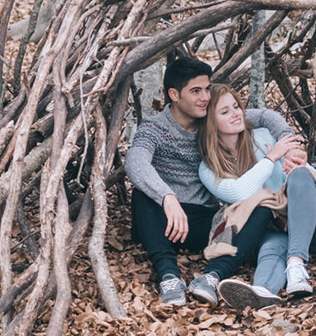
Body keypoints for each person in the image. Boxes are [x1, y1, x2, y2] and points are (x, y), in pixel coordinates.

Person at [124, 56, 300, 306]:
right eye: (196, 91)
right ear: (174, 94)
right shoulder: (154, 129)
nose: (205, 97)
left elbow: (264, 116)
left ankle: (212, 276)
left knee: (262, 208)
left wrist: (288, 143)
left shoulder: (209, 120)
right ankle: (169, 276)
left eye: (207, 89)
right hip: (163, 219)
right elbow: (135, 162)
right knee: (142, 196)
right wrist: (167, 197)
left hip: (203, 220)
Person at [198, 84, 316, 310]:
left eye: (236, 107)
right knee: (271, 249)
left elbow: (312, 180)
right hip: (274, 227)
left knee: (300, 175)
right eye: (225, 112)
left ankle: (296, 262)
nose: (236, 114)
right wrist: (271, 159)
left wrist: (293, 163)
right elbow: (240, 193)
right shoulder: (208, 168)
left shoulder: (263, 136)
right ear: (210, 123)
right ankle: (263, 291)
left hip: (313, 229)